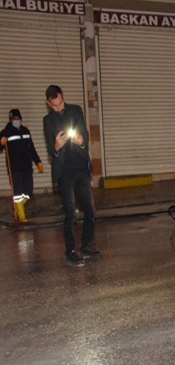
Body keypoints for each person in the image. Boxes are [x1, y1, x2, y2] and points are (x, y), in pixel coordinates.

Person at [43, 85, 101, 267]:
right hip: (64, 172)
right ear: (48, 103)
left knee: (90, 210)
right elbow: (50, 151)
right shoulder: (48, 121)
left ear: (63, 97)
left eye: (60, 104)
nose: (58, 108)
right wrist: (57, 147)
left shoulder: (75, 110)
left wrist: (81, 141)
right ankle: (70, 252)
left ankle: (85, 246)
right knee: (70, 212)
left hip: (80, 168)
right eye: (54, 106)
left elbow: (84, 132)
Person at [0, 109, 44, 222]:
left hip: (27, 167)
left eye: (18, 118)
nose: (16, 120)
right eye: (14, 119)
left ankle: (17, 206)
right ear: (10, 120)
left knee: (28, 192)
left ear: (21, 118)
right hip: (15, 168)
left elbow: (32, 148)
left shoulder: (26, 131)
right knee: (18, 193)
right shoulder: (5, 132)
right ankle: (22, 217)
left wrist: (38, 161)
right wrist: (1, 143)